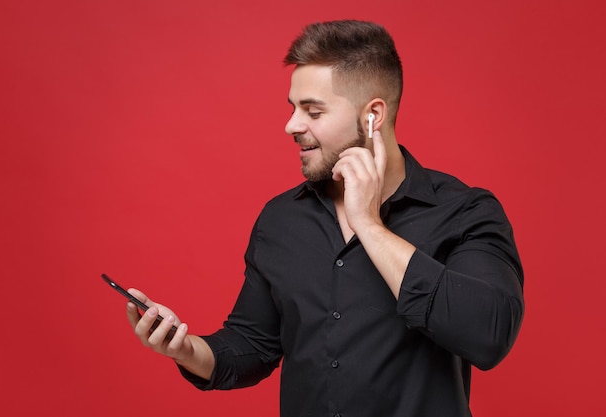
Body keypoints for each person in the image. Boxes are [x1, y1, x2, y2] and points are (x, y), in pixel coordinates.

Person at [125, 20, 524, 417]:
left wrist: (369, 225)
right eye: (293, 108)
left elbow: (487, 335)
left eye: (312, 111)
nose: (291, 126)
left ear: (373, 117)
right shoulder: (281, 220)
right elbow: (253, 344)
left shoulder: (465, 211)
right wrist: (185, 349)